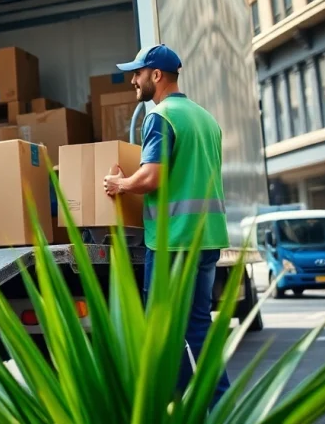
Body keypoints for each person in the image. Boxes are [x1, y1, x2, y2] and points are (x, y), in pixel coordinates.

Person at [101, 44, 231, 406]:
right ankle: (217, 405)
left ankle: (173, 404)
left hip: (173, 241)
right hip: (206, 239)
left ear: (156, 76)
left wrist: (120, 185)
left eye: (138, 73)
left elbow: (153, 177)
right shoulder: (206, 119)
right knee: (198, 327)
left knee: (160, 331)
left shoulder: (160, 116)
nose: (133, 80)